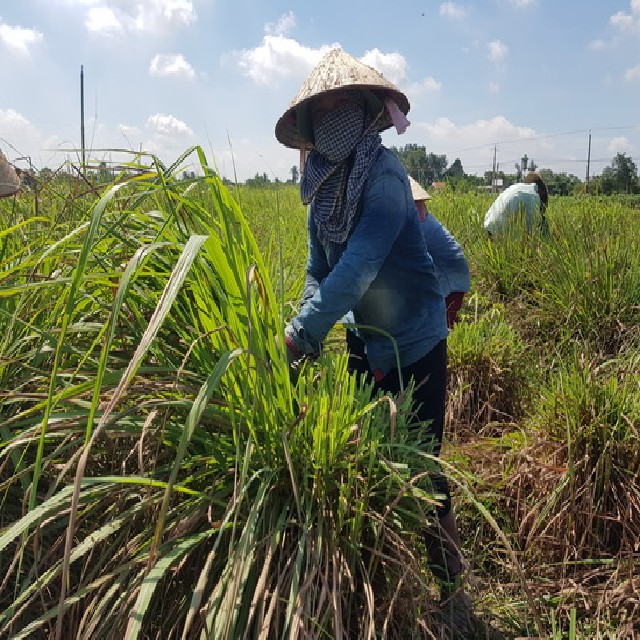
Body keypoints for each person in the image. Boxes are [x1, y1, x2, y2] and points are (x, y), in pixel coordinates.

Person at [275, 47, 478, 635]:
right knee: (371, 455)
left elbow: (359, 267)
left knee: (421, 464)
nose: (332, 115)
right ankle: (378, 581)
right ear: (310, 122)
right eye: (323, 108)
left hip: (415, 343)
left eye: (343, 104)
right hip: (365, 341)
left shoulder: (385, 177)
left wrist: (298, 335)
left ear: (364, 111)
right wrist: (302, 328)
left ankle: (452, 590)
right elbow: (320, 270)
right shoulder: (319, 185)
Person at [408, 176, 470, 328]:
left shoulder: (417, 223)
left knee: (441, 327)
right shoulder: (418, 217)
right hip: (449, 272)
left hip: (450, 276)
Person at [483, 171, 549, 236]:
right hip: (499, 232)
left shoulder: (515, 187)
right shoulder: (533, 196)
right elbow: (531, 229)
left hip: (488, 226)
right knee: (543, 222)